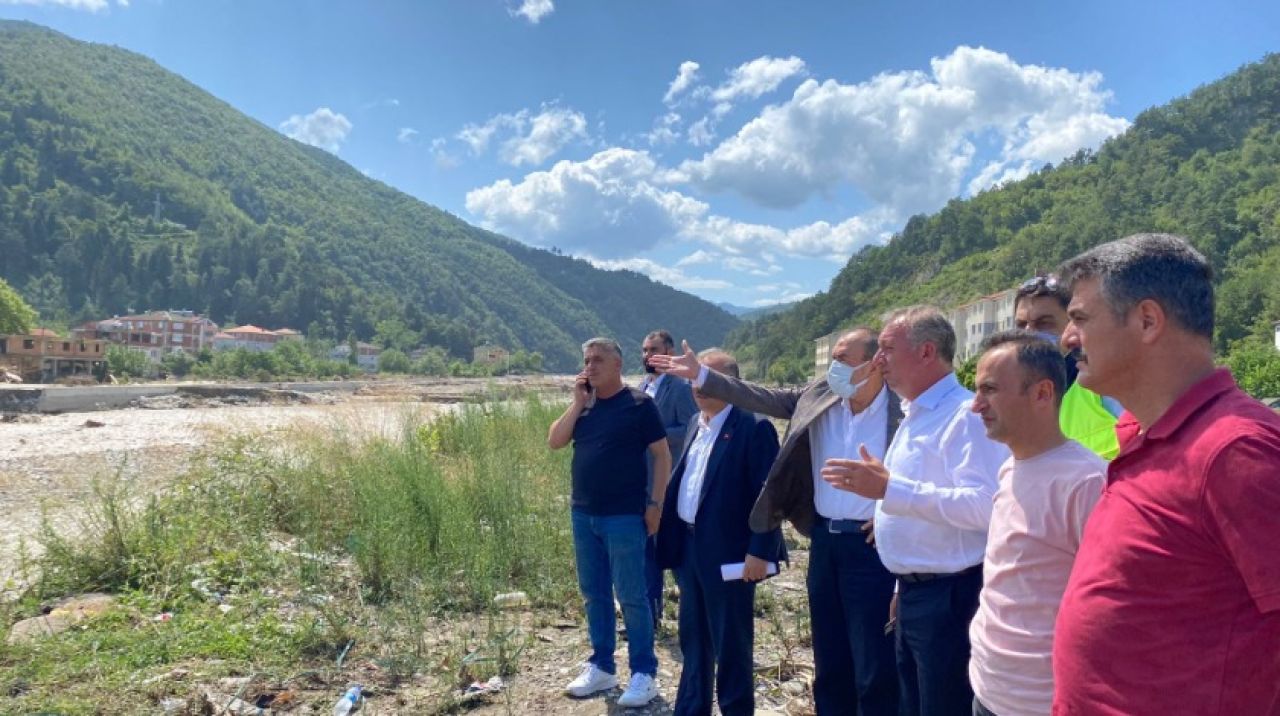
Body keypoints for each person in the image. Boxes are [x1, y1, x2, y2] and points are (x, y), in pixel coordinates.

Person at [1052, 234, 1280, 715]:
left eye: (1080, 319)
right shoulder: (1143, 432)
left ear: (1147, 321)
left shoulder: (1235, 451)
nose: (1068, 338)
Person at [651, 328, 902, 715]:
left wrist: (893, 510)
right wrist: (701, 374)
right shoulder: (820, 397)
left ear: (875, 364)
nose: (833, 368)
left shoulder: (901, 412)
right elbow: (762, 397)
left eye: (843, 360)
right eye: (832, 358)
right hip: (825, 542)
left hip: (873, 547)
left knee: (874, 661)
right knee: (830, 659)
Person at [821, 306, 1008, 716]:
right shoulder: (915, 415)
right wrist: (899, 587)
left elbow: (986, 506)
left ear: (926, 352)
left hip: (950, 597)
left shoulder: (964, 416)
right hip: (915, 594)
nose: (878, 359)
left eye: (888, 348)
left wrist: (890, 489)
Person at [967, 330, 1106, 716]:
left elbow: (1109, 607)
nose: (976, 405)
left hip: (1040, 701)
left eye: (990, 390)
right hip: (989, 689)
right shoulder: (1010, 467)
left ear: (1043, 393)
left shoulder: (1087, 482)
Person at [654, 349, 784, 716]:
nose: (699, 386)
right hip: (690, 548)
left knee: (731, 646)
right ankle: (691, 708)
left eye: (708, 378)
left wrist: (760, 550)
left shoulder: (753, 427)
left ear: (732, 384)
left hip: (731, 553)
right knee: (693, 638)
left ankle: (735, 709)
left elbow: (769, 496)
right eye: (694, 378)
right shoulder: (696, 423)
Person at [547, 337, 671, 708]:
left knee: (632, 595)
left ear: (617, 364)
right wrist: (576, 403)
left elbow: (662, 456)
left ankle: (644, 672)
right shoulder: (584, 407)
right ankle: (602, 666)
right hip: (583, 513)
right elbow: (555, 441)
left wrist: (656, 504)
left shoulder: (639, 405)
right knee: (594, 592)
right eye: (587, 360)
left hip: (624, 515)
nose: (590, 366)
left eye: (598, 359)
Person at [1014, 275, 1120, 459]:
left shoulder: (1105, 385)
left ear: (1073, 324)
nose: (1029, 334)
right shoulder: (1016, 399)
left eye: (1044, 323)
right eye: (1021, 325)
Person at [640, 329, 698, 627]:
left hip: (669, 481)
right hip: (642, 481)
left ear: (670, 353)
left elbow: (692, 427)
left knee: (671, 550)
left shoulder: (680, 388)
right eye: (645, 350)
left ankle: (695, 611)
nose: (647, 355)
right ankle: (651, 615)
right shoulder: (643, 386)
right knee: (647, 552)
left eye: (654, 350)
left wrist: (655, 436)